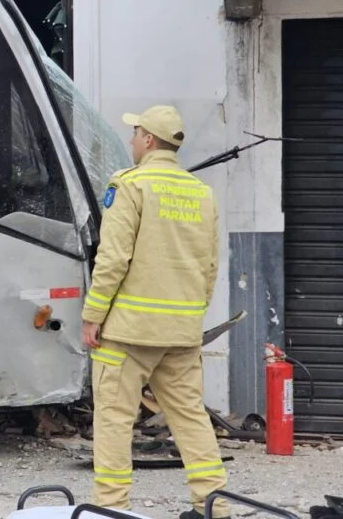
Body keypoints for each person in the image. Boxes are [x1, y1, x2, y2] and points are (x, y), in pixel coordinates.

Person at [80, 105, 228, 519]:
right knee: (190, 418)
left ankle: (112, 508)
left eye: (135, 134)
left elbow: (112, 258)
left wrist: (93, 314)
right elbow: (210, 264)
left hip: (128, 332)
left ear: (148, 140)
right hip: (180, 332)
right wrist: (192, 316)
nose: (131, 141)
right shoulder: (200, 192)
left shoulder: (130, 185)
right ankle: (213, 506)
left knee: (113, 419)